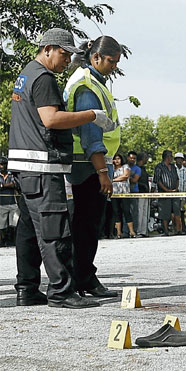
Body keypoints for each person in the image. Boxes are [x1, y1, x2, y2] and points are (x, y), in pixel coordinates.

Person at [9, 28, 115, 308]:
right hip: (42, 166)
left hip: (24, 165)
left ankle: (28, 288)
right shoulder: (44, 78)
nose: (67, 61)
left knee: (30, 231)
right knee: (55, 229)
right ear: (48, 49)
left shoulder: (26, 74)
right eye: (63, 54)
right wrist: (93, 115)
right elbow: (51, 119)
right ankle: (61, 291)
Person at [65, 35, 122, 297]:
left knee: (86, 226)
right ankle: (83, 279)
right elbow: (91, 135)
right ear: (95, 57)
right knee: (86, 227)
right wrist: (102, 172)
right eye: (111, 61)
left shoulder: (94, 81)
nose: (114, 66)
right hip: (88, 166)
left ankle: (83, 276)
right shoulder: (88, 86)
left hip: (89, 164)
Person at [154, 150, 181, 236]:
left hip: (174, 192)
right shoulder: (159, 167)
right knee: (165, 213)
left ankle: (178, 230)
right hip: (164, 193)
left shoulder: (173, 167)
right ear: (167, 157)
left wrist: (176, 189)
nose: (172, 158)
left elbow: (177, 178)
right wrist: (166, 190)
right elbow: (157, 180)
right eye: (171, 156)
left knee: (177, 212)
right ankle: (166, 231)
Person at [111, 154, 135, 238]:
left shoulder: (125, 166)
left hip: (124, 192)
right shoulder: (111, 168)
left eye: (118, 159)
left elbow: (125, 176)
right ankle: (118, 233)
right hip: (114, 193)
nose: (117, 160)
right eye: (115, 159)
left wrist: (113, 180)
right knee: (116, 212)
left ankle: (132, 232)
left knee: (126, 211)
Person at [0, 157, 19, 247]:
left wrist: (3, 185)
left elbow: (15, 184)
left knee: (14, 224)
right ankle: (3, 241)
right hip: (1, 204)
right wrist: (9, 185)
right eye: (0, 164)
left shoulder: (12, 175)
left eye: (3, 164)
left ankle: (12, 241)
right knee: (2, 226)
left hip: (13, 203)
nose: (2, 166)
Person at [174, 152, 186, 233]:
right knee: (175, 213)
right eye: (177, 159)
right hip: (174, 195)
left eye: (181, 159)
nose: (179, 160)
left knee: (183, 212)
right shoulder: (172, 169)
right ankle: (176, 229)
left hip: (184, 195)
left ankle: (185, 228)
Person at [126, 151, 141, 237]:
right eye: (131, 158)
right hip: (124, 192)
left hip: (134, 192)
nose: (132, 160)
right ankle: (124, 231)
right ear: (128, 158)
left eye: (134, 158)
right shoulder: (124, 167)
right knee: (125, 212)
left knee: (134, 212)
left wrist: (125, 177)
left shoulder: (137, 169)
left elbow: (135, 180)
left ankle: (134, 231)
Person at [136, 152, 150, 237]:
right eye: (146, 158)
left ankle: (144, 231)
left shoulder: (144, 169)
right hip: (139, 192)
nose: (147, 159)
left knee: (145, 212)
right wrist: (143, 186)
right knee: (140, 212)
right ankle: (138, 230)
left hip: (146, 193)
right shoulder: (136, 168)